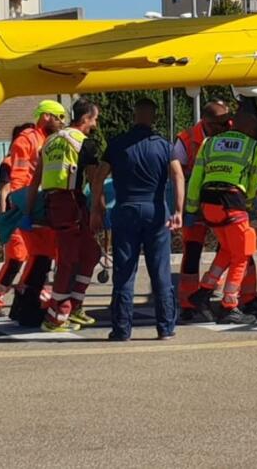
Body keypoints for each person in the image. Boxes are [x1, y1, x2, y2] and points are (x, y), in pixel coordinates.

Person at [91, 98, 184, 341]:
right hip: (156, 210)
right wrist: (178, 211)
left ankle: (121, 329)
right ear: (153, 117)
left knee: (124, 272)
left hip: (126, 209)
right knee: (160, 271)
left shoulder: (117, 144)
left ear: (134, 115)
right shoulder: (164, 145)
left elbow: (99, 177)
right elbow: (178, 175)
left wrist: (97, 208)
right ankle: (165, 327)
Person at [174, 101, 257, 321]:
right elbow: (253, 178)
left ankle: (203, 293)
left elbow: (196, 177)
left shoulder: (209, 143)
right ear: (206, 122)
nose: (227, 125)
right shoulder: (251, 146)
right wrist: (248, 205)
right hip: (231, 202)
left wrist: (191, 207)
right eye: (222, 122)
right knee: (242, 252)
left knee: (227, 249)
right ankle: (228, 305)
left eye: (229, 121)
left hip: (207, 204)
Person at [28, 98, 102, 332]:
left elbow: (35, 180)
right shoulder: (83, 143)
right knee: (69, 260)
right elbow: (95, 180)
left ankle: (74, 305)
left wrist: (28, 211)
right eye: (94, 119)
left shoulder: (50, 141)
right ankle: (55, 317)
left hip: (55, 204)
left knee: (91, 252)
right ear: (86, 119)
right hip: (71, 204)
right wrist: (99, 209)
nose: (95, 124)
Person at [0, 105, 61, 317]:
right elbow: (8, 189)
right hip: (20, 209)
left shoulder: (47, 143)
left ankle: (28, 296)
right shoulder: (11, 159)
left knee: (41, 255)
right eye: (59, 117)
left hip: (35, 206)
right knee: (17, 257)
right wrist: (7, 215)